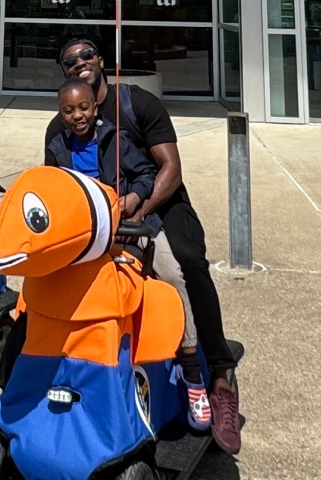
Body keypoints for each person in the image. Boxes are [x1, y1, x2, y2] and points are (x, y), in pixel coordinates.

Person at [54, 36, 243, 454]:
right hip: (102, 221)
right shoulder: (60, 129)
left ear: (101, 61)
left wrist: (136, 212)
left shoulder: (136, 104)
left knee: (187, 264)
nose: (80, 63)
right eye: (70, 60)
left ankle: (216, 376)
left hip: (159, 204)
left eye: (87, 55)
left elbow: (169, 170)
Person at [45, 76, 213, 430]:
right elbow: (52, 189)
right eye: (69, 110)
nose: (78, 116)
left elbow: (145, 175)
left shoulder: (114, 138)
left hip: (132, 227)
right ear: (61, 114)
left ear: (95, 108)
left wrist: (134, 198)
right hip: (86, 235)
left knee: (171, 277)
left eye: (84, 108)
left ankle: (193, 372)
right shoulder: (57, 146)